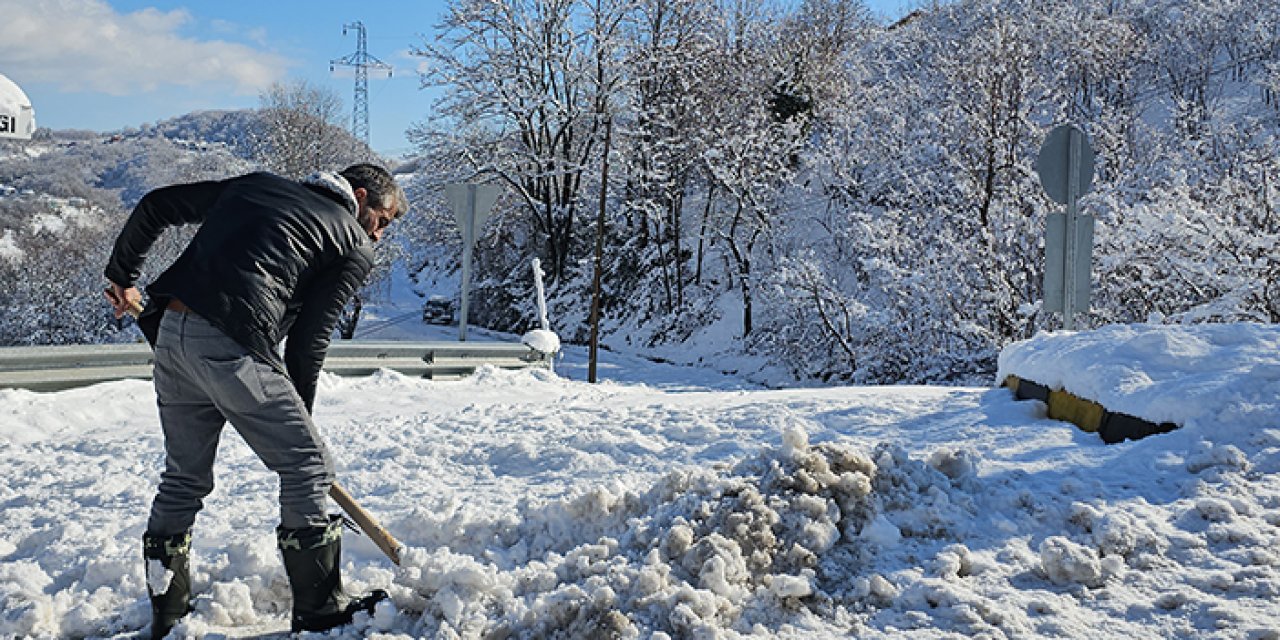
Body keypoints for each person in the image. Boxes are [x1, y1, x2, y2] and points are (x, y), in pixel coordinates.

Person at [103, 164, 409, 637]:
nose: (381, 234)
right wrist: (299, 424)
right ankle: (319, 608)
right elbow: (309, 342)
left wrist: (122, 275)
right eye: (383, 220)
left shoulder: (255, 186)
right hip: (230, 343)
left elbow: (156, 206)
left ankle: (168, 611)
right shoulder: (352, 242)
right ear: (361, 196)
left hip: (172, 336)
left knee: (183, 477)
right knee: (308, 465)